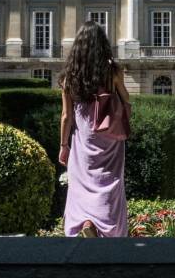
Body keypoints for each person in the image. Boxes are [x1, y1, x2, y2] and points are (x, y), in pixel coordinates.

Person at [58, 21, 130, 238]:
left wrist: (64, 145)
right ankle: (108, 228)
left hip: (84, 137)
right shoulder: (113, 70)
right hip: (110, 136)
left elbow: (66, 116)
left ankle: (85, 221)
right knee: (110, 182)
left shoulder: (69, 75)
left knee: (82, 184)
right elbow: (126, 99)